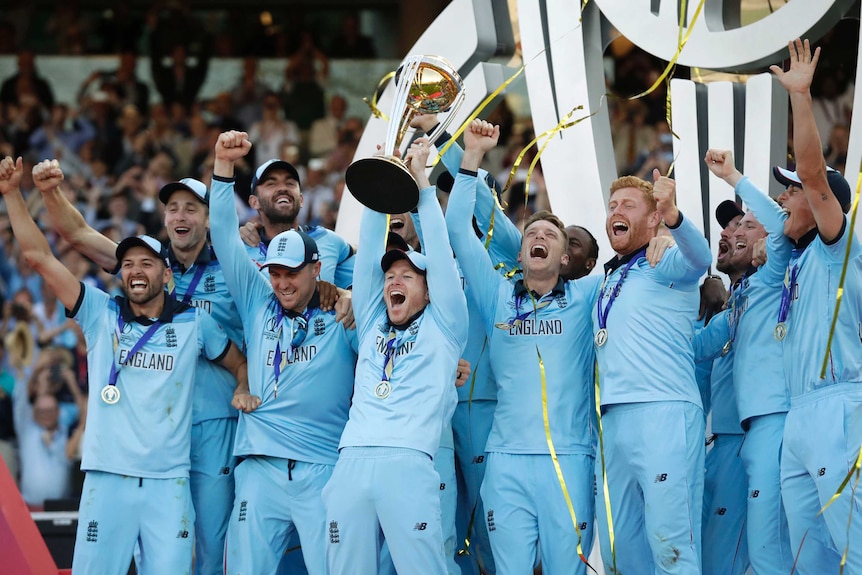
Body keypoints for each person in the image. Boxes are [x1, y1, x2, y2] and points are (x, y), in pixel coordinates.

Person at [0, 155, 248, 575]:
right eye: (127, 263)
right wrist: (16, 193)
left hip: (177, 471)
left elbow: (245, 351)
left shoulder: (200, 314)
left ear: (165, 274)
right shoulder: (101, 313)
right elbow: (46, 253)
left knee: (207, 554)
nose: (134, 269)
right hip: (108, 475)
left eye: (145, 263)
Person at [446, 119, 600, 574]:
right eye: (532, 233)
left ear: (566, 260)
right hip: (505, 461)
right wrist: (471, 155)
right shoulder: (495, 294)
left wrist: (666, 234)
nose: (539, 238)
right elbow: (459, 230)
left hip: (569, 461)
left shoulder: (588, 298)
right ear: (518, 254)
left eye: (551, 236)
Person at [735, 38, 860, 573]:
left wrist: (800, 98)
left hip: (840, 408)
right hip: (798, 419)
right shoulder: (796, 263)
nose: (782, 199)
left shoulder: (838, 247)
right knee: (808, 557)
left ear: (822, 204)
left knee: (853, 549)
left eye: (791, 193)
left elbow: (812, 175)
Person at [209, 130, 358, 575]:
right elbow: (221, 233)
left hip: (323, 465)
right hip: (259, 466)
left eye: (292, 273)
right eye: (275, 273)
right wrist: (222, 164)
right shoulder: (259, 297)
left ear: (316, 269)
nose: (282, 283)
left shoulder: (342, 311)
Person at [323, 137, 467, 574]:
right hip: (350, 460)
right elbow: (369, 252)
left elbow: (440, 257)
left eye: (407, 275)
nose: (393, 282)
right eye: (391, 276)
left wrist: (422, 187)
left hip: (409, 462)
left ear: (427, 289)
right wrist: (378, 180)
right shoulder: (370, 322)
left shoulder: (446, 324)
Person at [593, 168, 712, 574]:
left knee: (671, 544)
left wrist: (674, 216)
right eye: (612, 206)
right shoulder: (610, 277)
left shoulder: (665, 259)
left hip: (664, 412)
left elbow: (701, 258)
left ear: (652, 218)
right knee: (619, 551)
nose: (616, 212)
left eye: (628, 205)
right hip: (614, 420)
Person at [705, 152, 796, 573]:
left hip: (774, 418)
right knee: (752, 552)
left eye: (745, 223)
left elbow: (781, 225)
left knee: (764, 552)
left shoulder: (777, 270)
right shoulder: (739, 297)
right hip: (748, 426)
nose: (733, 230)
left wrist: (732, 177)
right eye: (732, 224)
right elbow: (698, 346)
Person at [699, 200, 751, 575]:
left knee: (722, 563)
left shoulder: (768, 290)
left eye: (740, 225)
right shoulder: (726, 305)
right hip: (716, 443)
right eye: (725, 226)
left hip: (744, 441)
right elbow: (692, 352)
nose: (726, 233)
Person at [243, 156, 355, 289]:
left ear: (301, 199)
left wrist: (345, 294)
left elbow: (363, 263)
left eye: (290, 183)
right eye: (271, 184)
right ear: (254, 202)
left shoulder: (327, 239)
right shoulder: (243, 251)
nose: (282, 188)